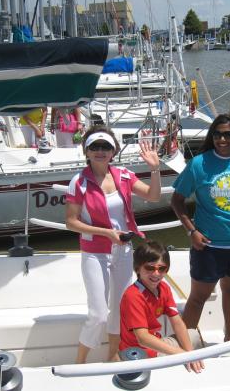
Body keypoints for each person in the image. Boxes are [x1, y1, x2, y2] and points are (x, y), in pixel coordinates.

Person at [65, 126, 162, 363]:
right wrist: (105, 233)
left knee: (120, 310)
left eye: (105, 146)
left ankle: (112, 359)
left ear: (113, 151)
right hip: (94, 253)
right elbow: (71, 222)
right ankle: (80, 362)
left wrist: (155, 169)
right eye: (94, 147)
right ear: (86, 151)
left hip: (123, 251)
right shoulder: (79, 182)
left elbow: (153, 196)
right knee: (98, 314)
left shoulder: (125, 176)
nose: (100, 151)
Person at [170, 113, 230, 350]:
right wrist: (191, 231)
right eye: (217, 134)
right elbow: (177, 201)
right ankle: (185, 347)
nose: (222, 139)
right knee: (198, 298)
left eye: (228, 134)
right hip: (209, 246)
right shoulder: (198, 165)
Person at [119, 239, 204, 373]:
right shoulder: (133, 296)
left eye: (162, 268)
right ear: (138, 269)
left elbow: (177, 323)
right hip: (139, 353)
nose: (156, 274)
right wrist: (182, 355)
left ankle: (196, 366)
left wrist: (189, 354)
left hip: (156, 346)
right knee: (188, 350)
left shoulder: (164, 288)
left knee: (192, 334)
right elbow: (143, 338)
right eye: (149, 268)